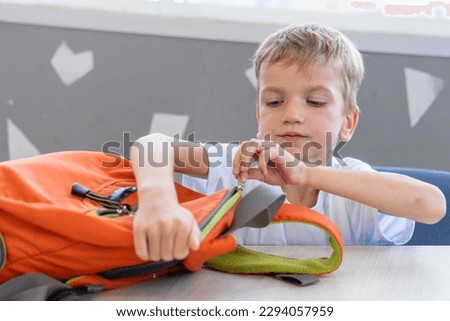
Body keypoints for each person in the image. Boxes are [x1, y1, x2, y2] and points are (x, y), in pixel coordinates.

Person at [130, 23, 446, 262]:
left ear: (347, 122)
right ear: (258, 114)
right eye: (275, 102)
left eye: (316, 102)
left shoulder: (357, 188)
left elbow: (431, 205)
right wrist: (157, 201)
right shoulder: (235, 165)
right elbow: (149, 147)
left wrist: (305, 173)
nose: (292, 115)